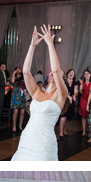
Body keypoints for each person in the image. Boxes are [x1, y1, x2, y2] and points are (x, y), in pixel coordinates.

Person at [10, 25, 66, 160]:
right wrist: (32, 46)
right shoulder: (36, 92)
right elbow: (25, 72)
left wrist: (50, 45)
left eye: (57, 73)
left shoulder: (60, 95)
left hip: (44, 142)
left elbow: (57, 70)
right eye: (51, 72)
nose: (53, 72)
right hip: (27, 138)